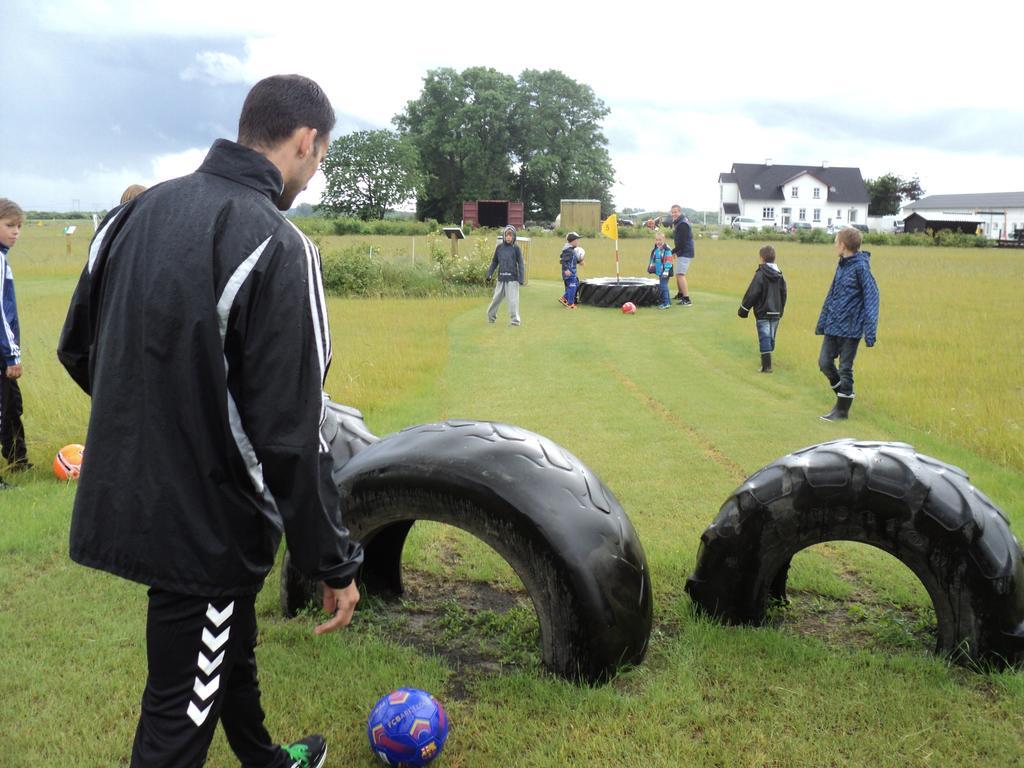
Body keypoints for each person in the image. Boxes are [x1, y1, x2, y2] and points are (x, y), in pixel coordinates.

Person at [57, 74, 363, 768]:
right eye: (318, 161)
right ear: (305, 141)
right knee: (175, 722)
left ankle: (265, 759)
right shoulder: (280, 246)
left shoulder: (128, 218)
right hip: (205, 526)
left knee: (225, 642)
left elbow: (80, 350)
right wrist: (334, 563)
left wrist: (156, 430)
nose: (313, 180)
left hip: (138, 499)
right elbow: (295, 433)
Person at [815, 227, 879, 421]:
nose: (835, 245)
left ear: (843, 245)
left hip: (851, 328)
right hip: (833, 324)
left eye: (836, 242)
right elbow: (832, 294)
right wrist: (823, 320)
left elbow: (872, 296)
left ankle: (842, 410)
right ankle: (842, 397)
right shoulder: (841, 265)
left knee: (845, 368)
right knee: (824, 362)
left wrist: (870, 330)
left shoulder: (861, 267)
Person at [1, 198, 29, 487]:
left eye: (19, 226)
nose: (16, 232)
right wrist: (12, 355)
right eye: (10, 225)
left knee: (11, 407)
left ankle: (19, 462)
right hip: (3, 352)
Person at [738, 244, 787, 373]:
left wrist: (744, 309)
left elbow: (753, 293)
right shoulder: (780, 275)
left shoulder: (760, 275)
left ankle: (767, 366)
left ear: (761, 258)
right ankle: (768, 360)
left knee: (764, 337)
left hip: (762, 312)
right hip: (776, 312)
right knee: (770, 337)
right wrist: (781, 309)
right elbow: (784, 294)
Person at [486, 224, 525, 325]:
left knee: (513, 302)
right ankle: (491, 318)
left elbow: (520, 263)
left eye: (510, 236)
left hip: (512, 279)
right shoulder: (499, 248)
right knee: (496, 299)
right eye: (507, 235)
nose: (508, 237)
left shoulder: (516, 248)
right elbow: (494, 262)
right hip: (501, 278)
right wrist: (489, 273)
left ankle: (515, 321)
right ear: (504, 236)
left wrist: (521, 278)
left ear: (514, 237)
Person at [648, 230, 674, 309]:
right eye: (657, 240)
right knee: (664, 285)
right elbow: (654, 258)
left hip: (665, 271)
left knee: (663, 286)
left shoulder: (666, 249)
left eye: (660, 240)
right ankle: (667, 301)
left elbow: (669, 260)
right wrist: (651, 266)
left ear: (664, 240)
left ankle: (666, 303)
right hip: (660, 271)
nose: (658, 242)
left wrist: (666, 270)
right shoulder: (656, 249)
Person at [559, 232, 584, 308]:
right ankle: (570, 304)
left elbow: (572, 260)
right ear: (573, 241)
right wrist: (566, 269)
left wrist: (579, 262)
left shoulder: (572, 250)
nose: (578, 242)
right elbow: (563, 260)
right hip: (569, 273)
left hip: (572, 273)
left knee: (575, 284)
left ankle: (564, 298)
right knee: (572, 286)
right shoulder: (568, 250)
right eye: (577, 240)